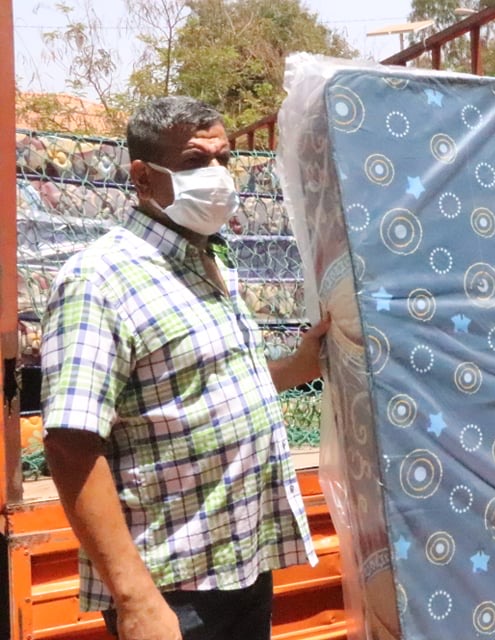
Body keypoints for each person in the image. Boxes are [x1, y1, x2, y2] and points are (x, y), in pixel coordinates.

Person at [40, 96, 328, 640]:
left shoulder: (211, 260)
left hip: (242, 565)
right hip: (172, 589)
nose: (217, 176)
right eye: (195, 161)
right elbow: (70, 445)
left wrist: (300, 364)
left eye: (224, 159)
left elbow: (212, 383)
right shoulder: (98, 280)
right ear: (143, 177)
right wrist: (137, 600)